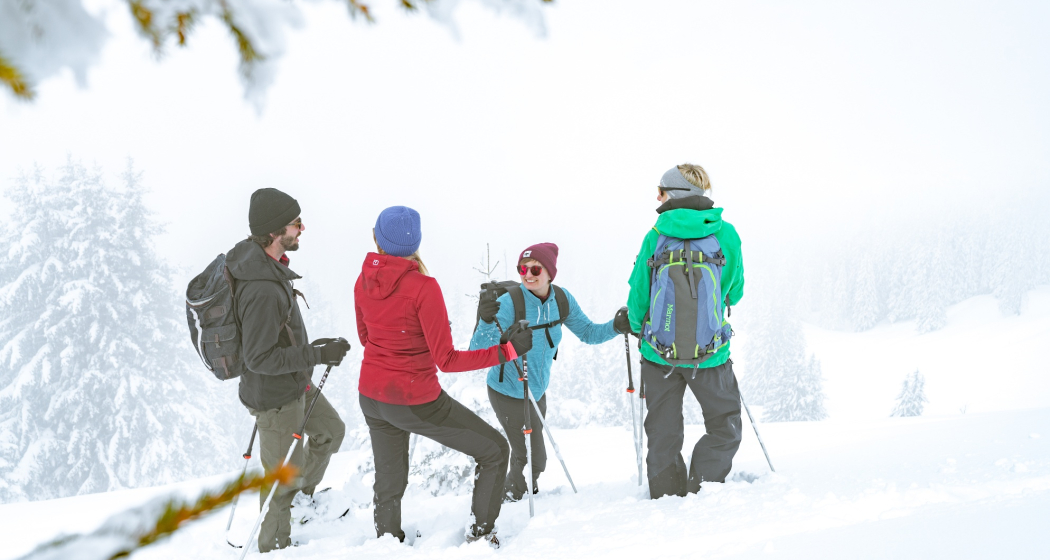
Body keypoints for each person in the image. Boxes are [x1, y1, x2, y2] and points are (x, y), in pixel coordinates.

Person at [354, 206, 533, 546]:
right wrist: (507, 351)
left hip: (373, 397)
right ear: (416, 241)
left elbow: (368, 338)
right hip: (415, 400)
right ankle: (481, 537)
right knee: (495, 450)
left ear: (377, 238)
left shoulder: (365, 280)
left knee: (390, 479)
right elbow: (447, 361)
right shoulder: (423, 287)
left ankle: (386, 544)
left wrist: (412, 336)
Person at [226, 188, 350, 552]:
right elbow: (259, 358)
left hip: (294, 384)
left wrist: (315, 350)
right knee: (281, 483)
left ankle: (301, 502)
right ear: (274, 230)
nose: (302, 229)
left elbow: (277, 337)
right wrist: (316, 354)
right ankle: (273, 547)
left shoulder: (267, 267)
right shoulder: (261, 288)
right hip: (275, 398)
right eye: (296, 223)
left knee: (330, 431)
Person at [469, 243, 631, 501]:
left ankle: (516, 494)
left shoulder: (562, 301)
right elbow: (476, 350)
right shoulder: (510, 302)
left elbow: (588, 333)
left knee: (533, 458)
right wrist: (487, 320)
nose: (528, 275)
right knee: (528, 457)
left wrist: (616, 326)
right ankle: (508, 500)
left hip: (537, 392)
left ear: (550, 273)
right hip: (507, 391)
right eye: (523, 269)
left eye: (535, 269)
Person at [625, 164, 745, 499]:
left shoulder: (656, 235)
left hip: (659, 354)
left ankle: (665, 496)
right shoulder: (725, 233)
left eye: (660, 191)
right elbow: (734, 291)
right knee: (724, 424)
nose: (658, 198)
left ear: (674, 194)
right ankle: (705, 488)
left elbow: (639, 293)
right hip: (711, 354)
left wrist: (637, 328)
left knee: (662, 432)